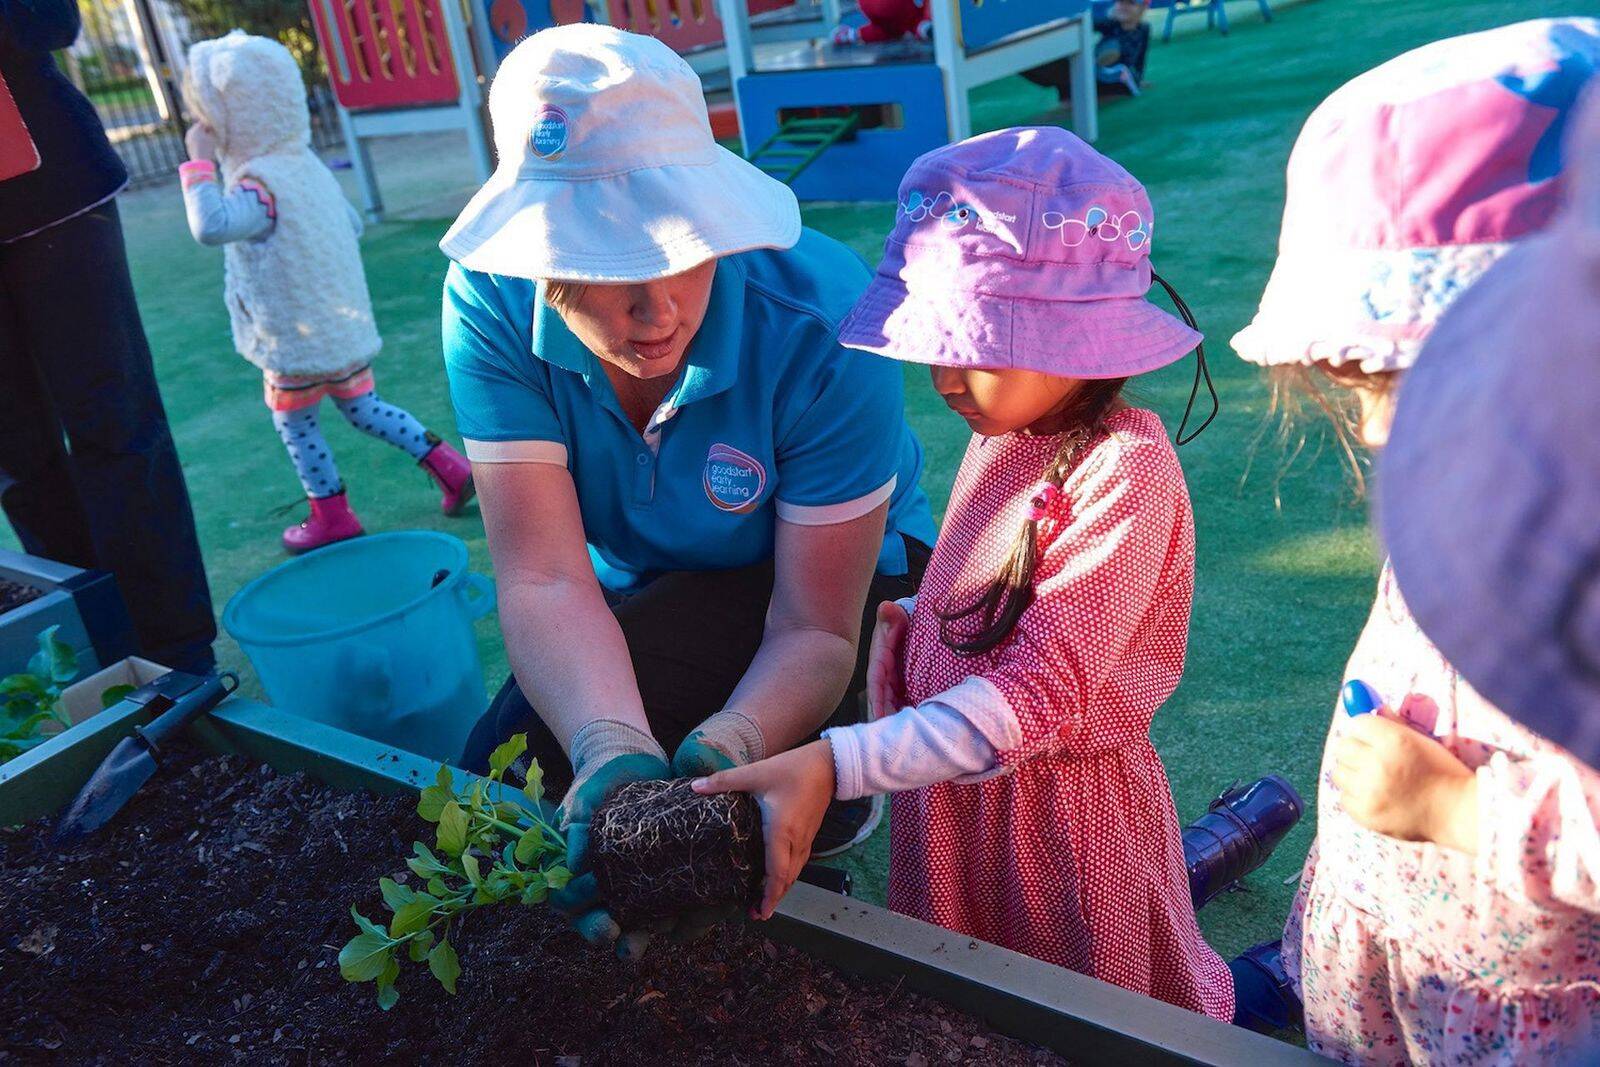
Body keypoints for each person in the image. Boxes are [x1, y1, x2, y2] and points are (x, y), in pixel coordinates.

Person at [695, 127, 1233, 1020]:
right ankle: (1196, 864)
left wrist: (837, 762)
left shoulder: (1125, 467)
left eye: (973, 343)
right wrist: (912, 629)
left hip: (1059, 820)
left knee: (1096, 1005)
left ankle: (1230, 945)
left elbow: (1039, 694)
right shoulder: (1006, 434)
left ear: (1080, 339)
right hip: (949, 798)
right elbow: (981, 582)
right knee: (967, 1001)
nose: (943, 372)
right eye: (936, 341)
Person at [437, 26, 936, 954]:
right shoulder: (486, 301)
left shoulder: (830, 318)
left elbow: (814, 626)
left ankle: (848, 768)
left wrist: (733, 745)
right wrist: (607, 746)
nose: (657, 307)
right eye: (607, 264)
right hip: (649, 574)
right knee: (505, 780)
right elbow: (544, 577)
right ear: (536, 259)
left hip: (838, 585)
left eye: (682, 246)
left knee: (726, 808)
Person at [1231, 20, 1600, 1062]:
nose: (1386, 431)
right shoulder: (1502, 479)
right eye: (1363, 381)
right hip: (1390, 932)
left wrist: (1460, 807)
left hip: (1535, 1005)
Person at [178, 32, 473, 554]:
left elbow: (211, 225)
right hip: (341, 327)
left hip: (295, 336)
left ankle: (331, 512)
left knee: (295, 421)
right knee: (365, 408)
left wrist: (197, 163)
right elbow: (351, 225)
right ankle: (451, 467)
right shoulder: (306, 167)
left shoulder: (256, 186)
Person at [0, 0, 215, 672]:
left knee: (116, 426)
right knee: (18, 456)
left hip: (52, 190)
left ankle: (179, 656)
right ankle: (91, 650)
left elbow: (51, 21)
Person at [1023, 0, 1151, 103]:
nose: (1123, 6)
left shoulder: (1143, 29)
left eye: (1131, 3)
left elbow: (1140, 58)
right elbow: (1088, 23)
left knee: (1070, 72)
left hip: (1115, 80)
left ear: (1142, 8)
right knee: (1068, 67)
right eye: (1120, 2)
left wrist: (1138, 79)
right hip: (1099, 74)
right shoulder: (1111, 24)